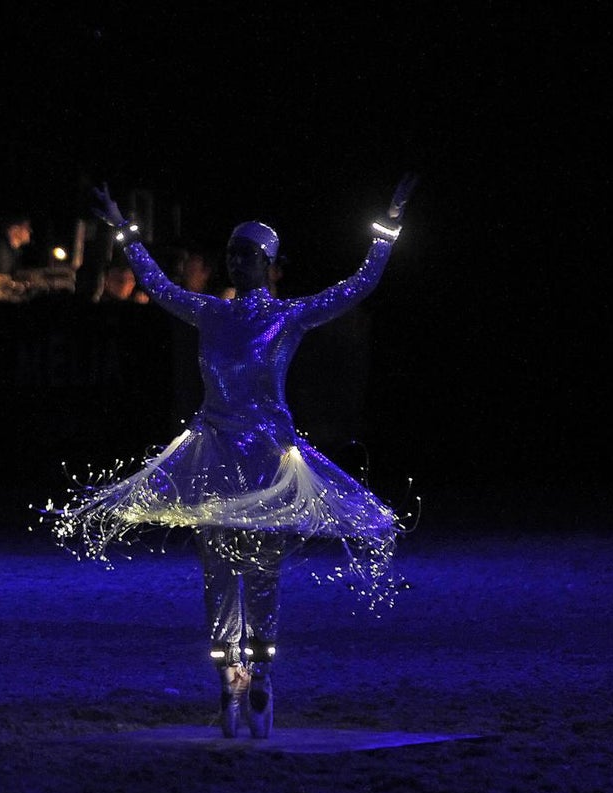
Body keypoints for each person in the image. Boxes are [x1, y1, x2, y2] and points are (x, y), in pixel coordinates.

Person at [45, 173, 417, 739]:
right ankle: (230, 684)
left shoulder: (288, 316)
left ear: (269, 263)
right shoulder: (210, 314)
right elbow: (159, 285)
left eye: (249, 255)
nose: (238, 263)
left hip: (268, 457)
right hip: (214, 454)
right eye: (232, 254)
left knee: (263, 573)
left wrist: (387, 226)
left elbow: (357, 285)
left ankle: (263, 672)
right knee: (218, 576)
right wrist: (124, 230)